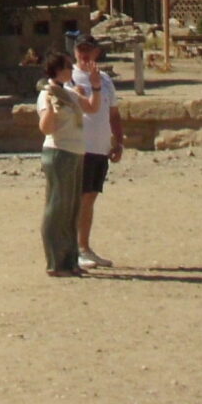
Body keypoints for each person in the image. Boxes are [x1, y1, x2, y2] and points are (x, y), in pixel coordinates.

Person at [70, 34, 123, 269]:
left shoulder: (105, 80)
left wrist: (118, 141)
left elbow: (113, 113)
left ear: (96, 53)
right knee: (77, 198)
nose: (84, 55)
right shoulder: (68, 78)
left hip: (99, 148)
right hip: (77, 147)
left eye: (88, 50)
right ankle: (73, 249)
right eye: (80, 50)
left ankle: (84, 246)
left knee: (90, 196)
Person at [35, 50, 87, 277]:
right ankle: (55, 262)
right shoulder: (47, 94)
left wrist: (90, 88)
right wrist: (51, 108)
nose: (71, 70)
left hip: (75, 151)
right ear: (57, 70)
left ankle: (70, 260)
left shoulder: (67, 92)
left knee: (72, 208)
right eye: (68, 66)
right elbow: (46, 128)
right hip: (58, 153)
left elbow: (92, 108)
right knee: (57, 208)